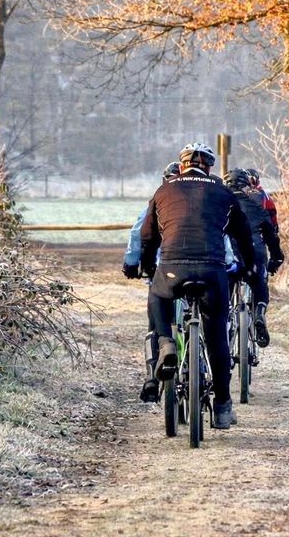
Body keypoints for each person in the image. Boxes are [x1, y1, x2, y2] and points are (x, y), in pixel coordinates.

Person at [141, 143, 256, 429]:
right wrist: (249, 266)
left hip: (173, 269)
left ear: (182, 166)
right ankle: (222, 407)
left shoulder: (163, 191)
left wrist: (146, 265)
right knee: (216, 337)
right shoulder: (223, 192)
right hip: (212, 271)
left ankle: (166, 342)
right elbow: (243, 235)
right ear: (210, 167)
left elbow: (147, 236)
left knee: (158, 296)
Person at [122, 161, 181, 403]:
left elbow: (138, 233)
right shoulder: (199, 201)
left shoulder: (158, 200)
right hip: (195, 269)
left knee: (155, 326)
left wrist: (131, 264)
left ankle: (151, 379)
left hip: (161, 271)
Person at [223, 168, 285, 347]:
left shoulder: (220, 206)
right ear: (246, 186)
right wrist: (276, 258)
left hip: (230, 256)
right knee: (259, 284)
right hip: (255, 253)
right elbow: (271, 235)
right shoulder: (257, 205)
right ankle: (259, 312)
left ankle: (225, 318)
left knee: (225, 287)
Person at [246, 168, 278, 233]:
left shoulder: (260, 194)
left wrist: (273, 226)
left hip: (260, 230)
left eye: (251, 180)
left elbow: (271, 211)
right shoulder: (261, 193)